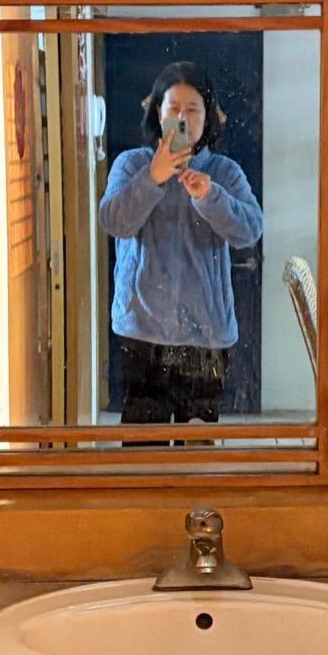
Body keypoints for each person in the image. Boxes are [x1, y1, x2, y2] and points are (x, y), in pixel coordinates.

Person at [98, 61, 264, 427]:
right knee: (145, 447)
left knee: (196, 448)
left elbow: (250, 230)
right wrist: (152, 178)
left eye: (193, 109)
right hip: (141, 332)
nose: (183, 118)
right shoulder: (131, 164)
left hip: (206, 337)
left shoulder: (224, 172)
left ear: (208, 117)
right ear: (158, 112)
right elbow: (113, 222)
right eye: (173, 108)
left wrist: (210, 196)